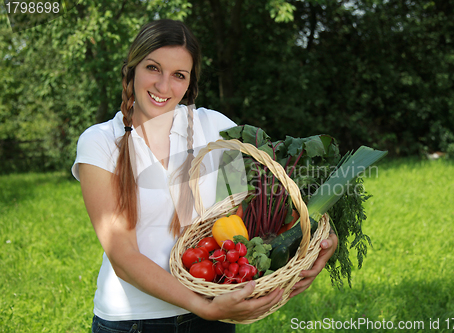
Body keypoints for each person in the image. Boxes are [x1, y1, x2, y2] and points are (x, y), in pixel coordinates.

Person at [72, 19, 338, 333]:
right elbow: (122, 255)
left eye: (178, 75)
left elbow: (276, 197)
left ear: (189, 84)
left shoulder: (213, 127)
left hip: (216, 309)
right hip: (134, 322)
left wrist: (321, 242)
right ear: (131, 69)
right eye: (153, 68)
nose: (163, 86)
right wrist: (202, 307)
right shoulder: (101, 141)